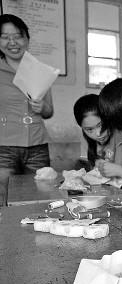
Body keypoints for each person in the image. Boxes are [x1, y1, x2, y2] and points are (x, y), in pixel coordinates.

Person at [0, 14, 54, 206]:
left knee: (39, 197)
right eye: (5, 37)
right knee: (3, 199)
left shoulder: (40, 71)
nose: (12, 42)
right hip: (3, 147)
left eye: (18, 36)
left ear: (27, 39)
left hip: (37, 146)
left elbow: (49, 112)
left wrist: (42, 107)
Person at [73, 94, 122, 173]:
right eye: (89, 129)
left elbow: (119, 172)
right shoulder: (88, 140)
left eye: (101, 125)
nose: (98, 134)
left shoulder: (121, 133)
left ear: (108, 117)